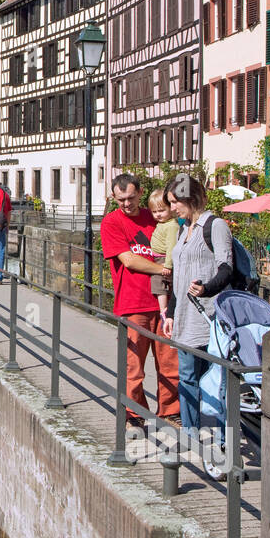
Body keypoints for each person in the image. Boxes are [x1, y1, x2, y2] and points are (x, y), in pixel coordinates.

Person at [162, 174, 234, 481]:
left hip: (209, 318)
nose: (172, 209)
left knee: (216, 384)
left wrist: (207, 288)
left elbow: (225, 267)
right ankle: (190, 435)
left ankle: (220, 444)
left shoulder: (214, 226)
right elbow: (179, 275)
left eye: (175, 203)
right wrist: (170, 312)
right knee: (187, 378)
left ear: (190, 199)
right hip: (185, 319)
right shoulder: (183, 231)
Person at [99, 173, 180, 429]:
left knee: (170, 363)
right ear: (114, 197)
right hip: (132, 304)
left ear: (140, 193)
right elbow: (129, 260)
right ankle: (134, 415)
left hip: (163, 303)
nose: (126, 204)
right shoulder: (111, 223)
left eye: (131, 198)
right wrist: (164, 270)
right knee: (133, 366)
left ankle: (170, 412)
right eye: (121, 199)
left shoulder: (155, 215)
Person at [147, 187, 180, 328]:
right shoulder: (163, 224)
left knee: (159, 284)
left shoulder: (171, 226)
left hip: (163, 259)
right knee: (160, 284)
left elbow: (172, 246)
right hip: (158, 257)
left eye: (161, 211)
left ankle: (164, 311)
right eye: (154, 212)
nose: (157, 215)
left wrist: (168, 265)